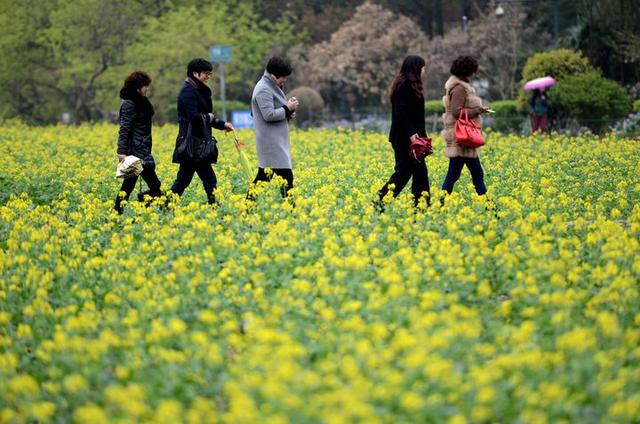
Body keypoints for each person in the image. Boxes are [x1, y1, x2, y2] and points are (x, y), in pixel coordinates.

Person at [169, 58, 234, 205]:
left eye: (209, 73)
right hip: (192, 143)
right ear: (195, 73)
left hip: (198, 143)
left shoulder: (199, 91)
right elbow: (195, 118)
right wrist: (209, 117)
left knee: (183, 180)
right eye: (206, 73)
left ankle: (165, 204)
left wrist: (223, 125)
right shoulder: (188, 92)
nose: (208, 76)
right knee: (208, 179)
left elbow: (206, 118)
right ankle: (216, 207)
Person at [377, 55, 430, 209]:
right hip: (403, 138)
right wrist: (412, 134)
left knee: (418, 172)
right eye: (422, 67)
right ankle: (380, 202)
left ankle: (420, 206)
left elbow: (417, 117)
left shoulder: (413, 86)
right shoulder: (404, 86)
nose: (424, 70)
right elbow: (401, 112)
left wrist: (424, 139)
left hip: (413, 137)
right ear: (416, 68)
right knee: (403, 172)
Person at [248, 56, 299, 200]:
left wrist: (288, 112)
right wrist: (287, 108)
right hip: (271, 142)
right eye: (283, 77)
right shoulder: (263, 89)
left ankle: (247, 207)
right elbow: (268, 115)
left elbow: (275, 111)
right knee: (285, 177)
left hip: (274, 141)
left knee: (264, 177)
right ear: (274, 74)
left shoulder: (270, 85)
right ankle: (292, 211)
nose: (285, 80)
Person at [440, 55, 491, 197]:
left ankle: (491, 208)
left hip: (464, 138)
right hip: (463, 138)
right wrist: (477, 111)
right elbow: (457, 112)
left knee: (471, 174)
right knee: (458, 175)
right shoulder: (459, 89)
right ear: (467, 71)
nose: (474, 74)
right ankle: (491, 209)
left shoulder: (460, 87)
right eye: (473, 71)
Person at [114, 70, 162, 214]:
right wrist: (121, 152)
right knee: (155, 186)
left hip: (142, 149)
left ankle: (116, 213)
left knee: (127, 187)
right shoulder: (130, 103)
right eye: (145, 85)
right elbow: (125, 128)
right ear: (138, 86)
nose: (147, 88)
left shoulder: (141, 101)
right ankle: (147, 202)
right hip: (136, 152)